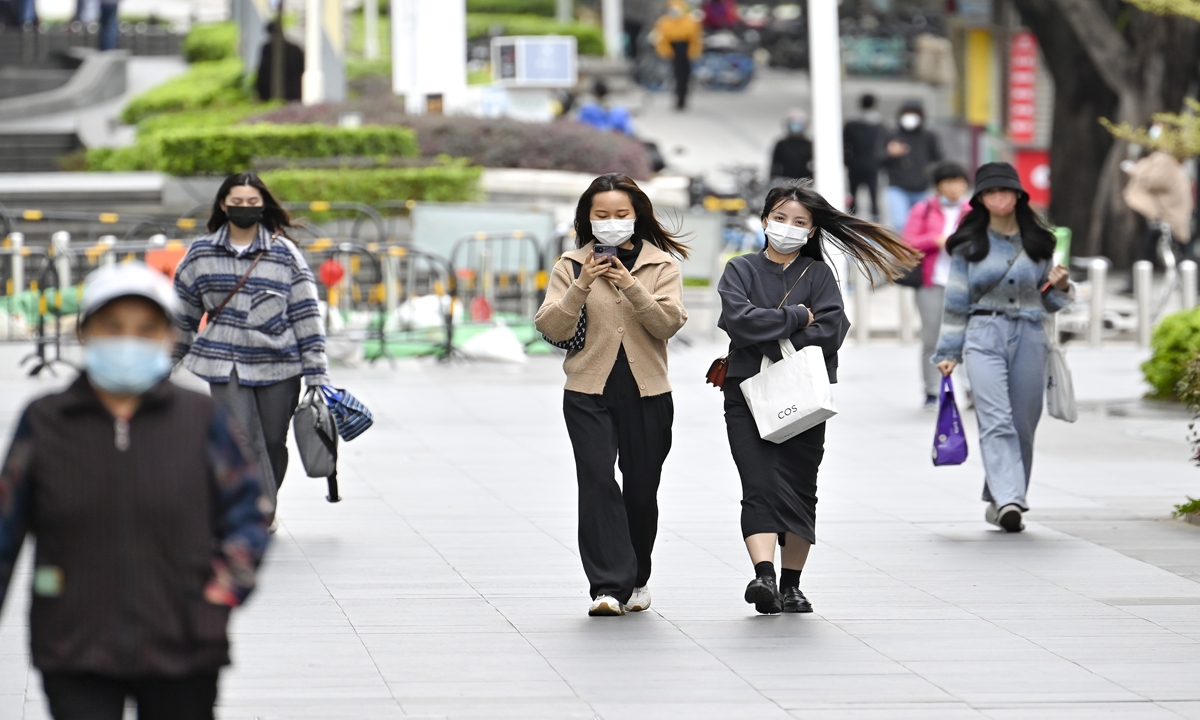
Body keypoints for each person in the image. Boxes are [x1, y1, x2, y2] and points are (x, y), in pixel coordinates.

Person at [0, 262, 268, 720]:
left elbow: (248, 508)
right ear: (85, 333)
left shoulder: (200, 419)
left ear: (167, 337)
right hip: (73, 643)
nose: (129, 340)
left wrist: (223, 591)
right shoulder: (46, 421)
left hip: (184, 640)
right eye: (113, 327)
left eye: (146, 329)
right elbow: (4, 528)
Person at [717, 180, 917, 614]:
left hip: (804, 396)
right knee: (758, 483)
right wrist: (793, 317)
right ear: (765, 218)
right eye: (780, 218)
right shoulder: (740, 269)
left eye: (800, 222)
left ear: (811, 231)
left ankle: (792, 585)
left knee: (799, 486)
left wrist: (769, 326)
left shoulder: (820, 274)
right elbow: (739, 322)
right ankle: (764, 576)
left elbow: (831, 331)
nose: (788, 228)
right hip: (746, 394)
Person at [535, 173, 689, 617]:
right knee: (598, 481)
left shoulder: (662, 265)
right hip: (587, 391)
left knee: (642, 489)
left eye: (621, 214)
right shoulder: (570, 263)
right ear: (587, 217)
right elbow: (551, 327)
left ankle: (638, 576)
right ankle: (605, 586)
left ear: (637, 215)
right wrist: (583, 283)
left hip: (648, 391)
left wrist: (630, 284)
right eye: (601, 215)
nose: (611, 223)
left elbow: (667, 325)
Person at [173, 172, 331, 526]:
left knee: (273, 441)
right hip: (225, 363)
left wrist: (317, 373)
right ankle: (257, 510)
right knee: (241, 439)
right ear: (223, 205)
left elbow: (306, 314)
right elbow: (182, 315)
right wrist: (160, 364)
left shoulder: (283, 253)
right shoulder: (201, 253)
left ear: (263, 205)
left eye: (252, 202)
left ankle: (266, 498)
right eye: (237, 202)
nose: (244, 208)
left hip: (279, 364)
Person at [933, 162, 1074, 533]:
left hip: (1030, 334)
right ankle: (1011, 499)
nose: (999, 197)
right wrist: (948, 351)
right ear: (980, 199)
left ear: (1018, 196)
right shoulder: (968, 245)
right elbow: (956, 300)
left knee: (1024, 424)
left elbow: (1050, 302)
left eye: (1006, 191)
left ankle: (1000, 498)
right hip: (983, 333)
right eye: (991, 192)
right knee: (995, 420)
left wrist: (1060, 286)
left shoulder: (1040, 243)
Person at [902, 160, 972, 406]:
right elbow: (908, 241)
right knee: (931, 337)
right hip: (931, 282)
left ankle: (970, 388)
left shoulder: (973, 211)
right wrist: (937, 240)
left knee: (966, 337)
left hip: (965, 283)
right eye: (948, 182)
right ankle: (932, 390)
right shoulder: (924, 209)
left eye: (959, 182)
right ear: (939, 186)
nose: (954, 188)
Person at [1122, 135, 1193, 267]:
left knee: (1180, 248)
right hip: (1167, 212)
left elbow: (1155, 180)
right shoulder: (1168, 159)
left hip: (1168, 213)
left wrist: (1135, 171)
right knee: (1174, 247)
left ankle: (1136, 279)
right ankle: (1136, 279)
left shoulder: (1164, 158)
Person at [879, 100, 943, 229]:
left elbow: (938, 159)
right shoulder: (891, 134)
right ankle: (902, 249)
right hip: (897, 187)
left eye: (915, 114)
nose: (910, 117)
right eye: (907, 113)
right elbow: (878, 158)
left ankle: (915, 249)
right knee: (900, 223)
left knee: (921, 226)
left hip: (922, 189)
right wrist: (890, 153)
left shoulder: (928, 136)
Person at [653, 0, 703, 111]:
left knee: (685, 77)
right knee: (676, 76)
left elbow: (695, 39)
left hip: (685, 51)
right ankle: (678, 98)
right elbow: (661, 39)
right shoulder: (664, 23)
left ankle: (682, 98)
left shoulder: (690, 22)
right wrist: (665, 52)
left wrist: (694, 52)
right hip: (673, 52)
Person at [843, 93, 884, 221]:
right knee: (873, 192)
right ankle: (875, 217)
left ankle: (851, 216)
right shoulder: (879, 125)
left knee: (853, 191)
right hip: (872, 164)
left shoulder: (851, 124)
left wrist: (847, 161)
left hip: (855, 163)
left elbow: (844, 144)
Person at [255, 21, 305, 102]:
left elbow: (262, 71)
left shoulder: (268, 49)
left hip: (273, 93)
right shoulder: (295, 48)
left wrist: (260, 92)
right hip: (293, 93)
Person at [770, 109, 814, 182]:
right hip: (786, 181)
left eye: (799, 123)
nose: (796, 126)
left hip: (805, 182)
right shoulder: (782, 144)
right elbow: (774, 166)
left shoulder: (809, 144)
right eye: (793, 123)